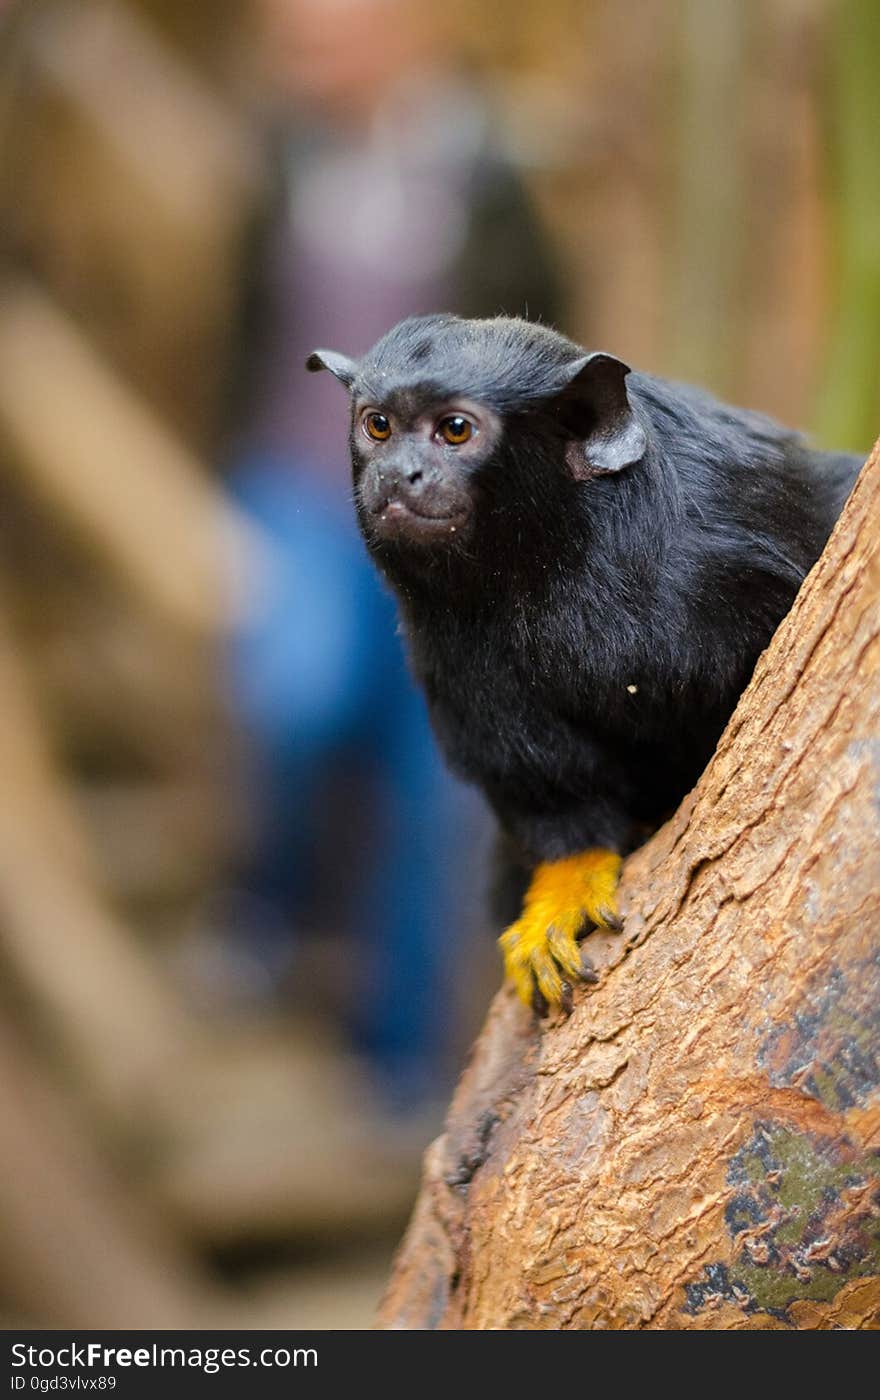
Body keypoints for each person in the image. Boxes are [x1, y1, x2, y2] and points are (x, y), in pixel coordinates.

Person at [217, 0, 563, 1106]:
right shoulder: (283, 156)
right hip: (302, 492)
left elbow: (538, 361)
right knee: (298, 697)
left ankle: (397, 1052)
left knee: (436, 791)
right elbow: (245, 328)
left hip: (445, 532)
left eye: (326, 33)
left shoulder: (486, 174)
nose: (303, 56)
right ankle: (269, 915)